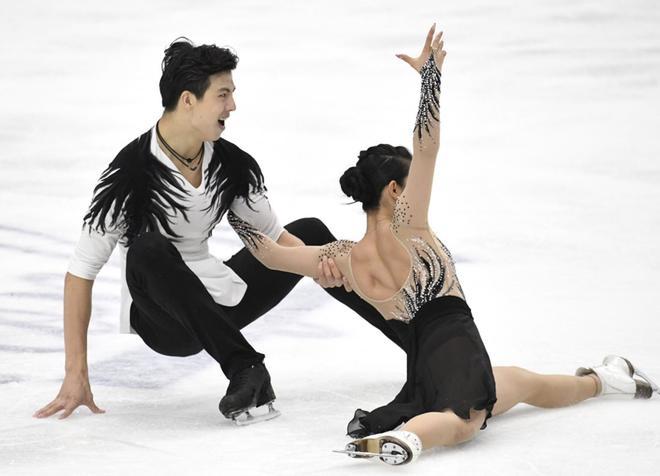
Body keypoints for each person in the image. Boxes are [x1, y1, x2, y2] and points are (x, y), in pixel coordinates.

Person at [225, 25, 659, 463]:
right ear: (395, 190)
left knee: (526, 384)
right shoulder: (411, 227)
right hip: (457, 345)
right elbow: (426, 145)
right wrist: (430, 77)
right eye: (409, 183)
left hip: (424, 367)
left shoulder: (342, 260)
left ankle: (604, 380)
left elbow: (270, 254)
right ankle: (412, 439)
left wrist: (230, 205)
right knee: (465, 420)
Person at [33, 38, 409, 424]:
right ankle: (246, 368)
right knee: (148, 249)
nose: (232, 106)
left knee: (312, 235)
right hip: (165, 322)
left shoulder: (230, 163)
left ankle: (417, 342)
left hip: (217, 298)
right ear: (188, 100)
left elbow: (278, 240)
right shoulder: (131, 172)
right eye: (223, 94)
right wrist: (76, 374)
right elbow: (80, 272)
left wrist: (323, 266)